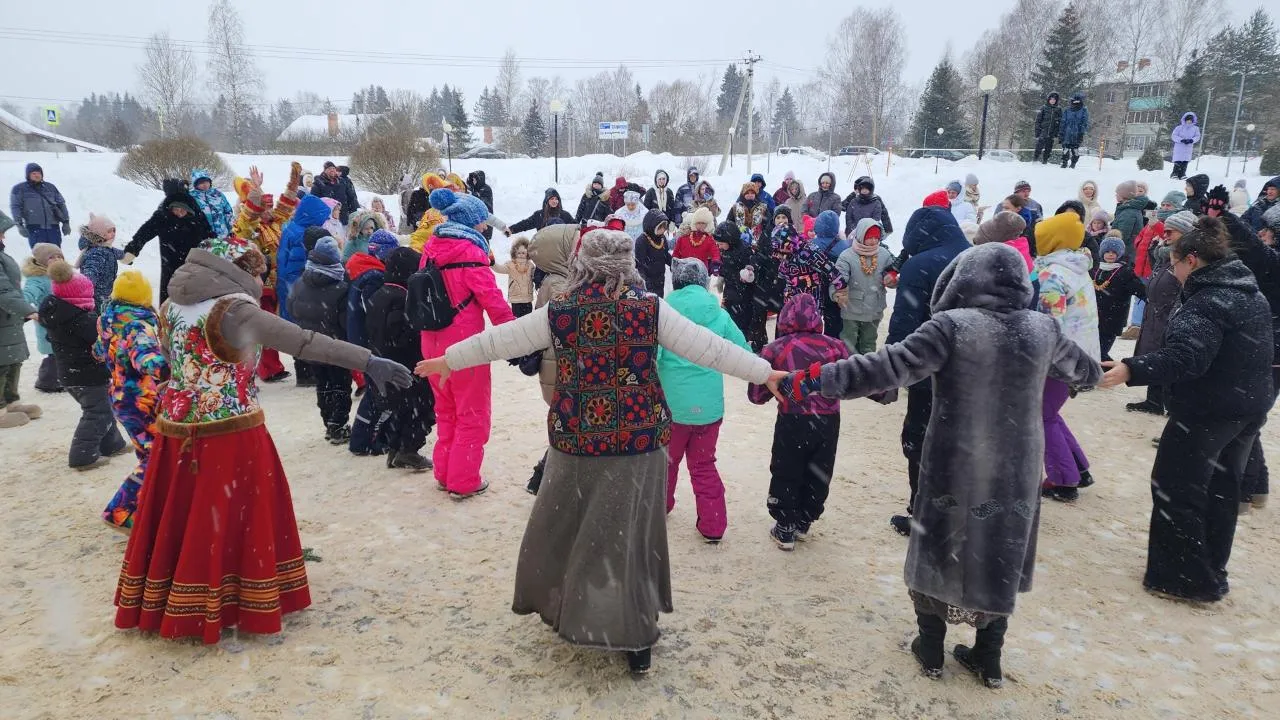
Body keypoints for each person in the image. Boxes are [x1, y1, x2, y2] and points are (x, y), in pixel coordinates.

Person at [413, 228, 782, 675]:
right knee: (631, 540)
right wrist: (762, 371)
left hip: (576, 441)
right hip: (637, 444)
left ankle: (563, 604)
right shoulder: (649, 310)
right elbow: (710, 349)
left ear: (582, 263)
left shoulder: (560, 311)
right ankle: (634, 632)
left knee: (566, 529)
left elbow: (501, 340)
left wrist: (449, 359)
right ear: (627, 265)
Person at [784, 242, 1101, 688]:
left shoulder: (952, 326)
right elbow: (1087, 372)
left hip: (957, 460)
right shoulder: (1042, 329)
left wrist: (813, 379)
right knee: (999, 550)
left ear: (962, 280)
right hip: (1016, 467)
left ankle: (930, 646)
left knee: (940, 544)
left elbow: (886, 366)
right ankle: (989, 657)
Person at [114, 236, 412, 644]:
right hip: (230, 431)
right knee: (232, 513)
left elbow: (171, 361)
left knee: (184, 514)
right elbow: (303, 341)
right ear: (237, 270)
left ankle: (175, 595)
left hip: (176, 430)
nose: (260, 277)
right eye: (256, 270)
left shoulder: (171, 306)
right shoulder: (233, 310)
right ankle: (229, 599)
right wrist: (367, 360)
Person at [1098, 216, 1273, 602]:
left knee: (1178, 487)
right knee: (1221, 490)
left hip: (1209, 408)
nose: (1173, 272)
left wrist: (1132, 368)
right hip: (1245, 404)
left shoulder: (1209, 300)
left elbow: (1187, 357)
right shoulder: (1245, 289)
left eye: (1174, 263)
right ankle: (1211, 568)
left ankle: (1182, 577)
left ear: (1191, 260)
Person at [418, 188, 516, 498]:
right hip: (464, 345)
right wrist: (514, 337)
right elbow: (494, 301)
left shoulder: (431, 248)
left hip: (431, 342)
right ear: (472, 222)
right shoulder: (470, 253)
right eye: (483, 222)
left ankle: (445, 473)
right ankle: (463, 481)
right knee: (472, 415)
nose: (486, 227)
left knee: (446, 412)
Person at [885, 202, 971, 535]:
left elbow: (905, 324)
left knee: (920, 439)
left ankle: (925, 513)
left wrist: (892, 373)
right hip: (974, 371)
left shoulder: (920, 265)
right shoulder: (976, 257)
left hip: (930, 370)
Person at [748, 293, 849, 550]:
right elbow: (849, 380)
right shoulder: (836, 347)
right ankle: (805, 518)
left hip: (792, 420)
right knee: (820, 469)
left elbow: (757, 394)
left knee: (786, 467)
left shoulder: (776, 349)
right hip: (827, 420)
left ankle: (785, 525)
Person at [659, 257, 750, 543]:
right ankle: (713, 525)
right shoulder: (718, 313)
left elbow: (653, 356)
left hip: (672, 407)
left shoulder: (664, 312)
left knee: (666, 462)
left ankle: (660, 506)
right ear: (703, 282)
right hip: (708, 410)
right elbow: (742, 350)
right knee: (703, 465)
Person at [1032, 211, 1100, 502]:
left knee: (1041, 415)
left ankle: (1063, 479)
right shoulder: (1076, 267)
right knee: (1050, 411)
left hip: (1058, 356)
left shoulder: (1052, 274)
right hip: (1080, 353)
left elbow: (1049, 322)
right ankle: (1078, 468)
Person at [92, 270, 167, 531]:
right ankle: (118, 512)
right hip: (142, 400)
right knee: (158, 456)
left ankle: (146, 508)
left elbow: (99, 351)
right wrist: (171, 368)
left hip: (121, 396)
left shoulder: (109, 319)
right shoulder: (138, 325)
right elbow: (147, 359)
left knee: (148, 453)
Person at [40, 259, 128, 468]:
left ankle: (112, 444)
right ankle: (82, 456)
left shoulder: (58, 314)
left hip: (72, 374)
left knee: (102, 409)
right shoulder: (81, 320)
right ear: (79, 296)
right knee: (98, 413)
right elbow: (102, 341)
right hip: (88, 376)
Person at [366, 246, 435, 472]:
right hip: (407, 364)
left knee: (401, 409)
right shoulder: (401, 298)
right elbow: (403, 334)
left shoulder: (380, 294)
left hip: (386, 364)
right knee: (421, 407)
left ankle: (396, 449)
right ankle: (409, 449)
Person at [232, 163, 302, 383]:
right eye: (264, 208)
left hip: (276, 282)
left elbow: (287, 204)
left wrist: (294, 180)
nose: (269, 211)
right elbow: (249, 215)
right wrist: (255, 188)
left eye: (269, 208)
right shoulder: (246, 225)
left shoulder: (275, 222)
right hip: (257, 283)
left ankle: (273, 366)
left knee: (274, 325)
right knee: (260, 327)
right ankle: (262, 369)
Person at [288, 237, 356, 444]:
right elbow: (346, 321)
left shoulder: (301, 282)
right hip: (335, 346)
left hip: (311, 345)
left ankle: (328, 422)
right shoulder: (341, 288)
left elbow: (291, 309)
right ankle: (338, 424)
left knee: (323, 384)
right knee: (341, 385)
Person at [1126, 210, 1193, 415]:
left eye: (1170, 231)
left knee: (1166, 356)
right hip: (1155, 312)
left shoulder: (1187, 259)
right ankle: (1153, 400)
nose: (1166, 235)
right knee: (1153, 353)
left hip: (1169, 313)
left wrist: (1175, 311)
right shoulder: (1165, 254)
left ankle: (1170, 406)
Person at [344, 229, 398, 457]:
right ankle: (364, 440)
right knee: (378, 393)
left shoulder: (361, 269)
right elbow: (374, 312)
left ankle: (364, 437)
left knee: (376, 391)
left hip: (360, 338)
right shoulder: (374, 276)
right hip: (369, 342)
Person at [274, 192, 332, 390]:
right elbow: (295, 266)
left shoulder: (292, 228)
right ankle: (306, 373)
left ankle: (305, 371)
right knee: (304, 329)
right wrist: (304, 283)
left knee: (300, 328)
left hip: (288, 286)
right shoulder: (301, 234)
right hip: (296, 286)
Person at [123, 182, 215, 304]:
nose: (179, 213)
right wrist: (132, 249)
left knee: (193, 293)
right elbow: (146, 231)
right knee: (169, 293)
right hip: (170, 261)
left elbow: (209, 237)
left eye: (183, 210)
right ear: (170, 208)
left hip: (193, 261)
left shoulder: (196, 217)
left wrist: (215, 252)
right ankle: (166, 317)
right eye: (176, 210)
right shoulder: (163, 217)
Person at [0, 212, 43, 428]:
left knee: (12, 359)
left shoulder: (2, 255)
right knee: (2, 362)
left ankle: (11, 401)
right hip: (5, 317)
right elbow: (3, 291)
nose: (4, 238)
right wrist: (29, 310)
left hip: (8, 318)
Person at [833, 219, 895, 354]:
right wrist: (838, 293)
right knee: (848, 342)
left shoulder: (884, 254)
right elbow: (837, 278)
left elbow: (891, 272)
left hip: (874, 308)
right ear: (861, 236)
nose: (873, 241)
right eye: (869, 237)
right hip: (851, 309)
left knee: (869, 341)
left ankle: (867, 369)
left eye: (876, 237)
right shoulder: (847, 256)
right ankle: (847, 368)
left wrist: (892, 280)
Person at [1092, 236, 1146, 361]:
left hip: (1113, 320)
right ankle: (1103, 375)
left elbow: (1141, 291)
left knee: (1100, 353)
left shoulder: (1125, 272)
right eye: (1107, 252)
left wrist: (1150, 300)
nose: (1110, 255)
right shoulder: (1097, 270)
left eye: (1114, 252)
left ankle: (1116, 373)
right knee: (1094, 351)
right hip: (1095, 319)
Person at [21, 241, 64, 392]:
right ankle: (47, 381)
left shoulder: (59, 276)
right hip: (48, 324)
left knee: (61, 351)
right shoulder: (37, 279)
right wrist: (31, 312)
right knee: (54, 353)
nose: (57, 259)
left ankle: (59, 378)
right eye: (52, 257)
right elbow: (26, 296)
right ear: (42, 261)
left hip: (62, 322)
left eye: (60, 256)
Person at [714, 221, 757, 348]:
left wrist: (748, 273)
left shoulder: (744, 250)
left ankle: (741, 345)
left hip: (743, 294)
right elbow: (724, 265)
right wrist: (721, 276)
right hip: (730, 291)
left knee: (741, 321)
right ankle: (729, 344)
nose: (719, 247)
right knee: (727, 317)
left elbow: (752, 269)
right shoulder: (725, 251)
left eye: (721, 244)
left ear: (730, 240)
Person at [9, 162, 70, 248]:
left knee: (56, 255)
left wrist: (66, 222)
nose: (37, 175)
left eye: (39, 173)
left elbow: (61, 204)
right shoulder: (19, 189)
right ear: (28, 175)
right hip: (35, 228)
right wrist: (19, 224)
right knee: (40, 256)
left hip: (53, 228)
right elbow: (15, 207)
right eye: (34, 173)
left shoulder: (51, 187)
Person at [76, 213, 125, 312]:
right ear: (99, 234)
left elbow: (115, 252)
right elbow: (90, 271)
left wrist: (127, 256)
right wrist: (89, 283)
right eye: (109, 231)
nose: (113, 233)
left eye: (114, 230)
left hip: (106, 292)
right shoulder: (95, 253)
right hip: (98, 296)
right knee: (101, 318)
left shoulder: (105, 247)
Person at [493, 235, 535, 317]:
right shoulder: (510, 264)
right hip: (515, 299)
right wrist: (493, 264)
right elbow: (500, 269)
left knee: (527, 319)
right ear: (514, 253)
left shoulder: (530, 265)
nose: (521, 255)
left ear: (528, 253)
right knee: (517, 320)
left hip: (527, 298)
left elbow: (534, 276)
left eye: (523, 253)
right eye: (519, 253)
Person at [189, 169, 234, 239]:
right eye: (201, 182)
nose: (204, 184)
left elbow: (228, 212)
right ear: (195, 184)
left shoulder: (218, 195)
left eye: (206, 181)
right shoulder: (191, 197)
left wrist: (232, 229)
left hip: (223, 235)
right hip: (204, 237)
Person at [635, 210, 672, 297]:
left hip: (660, 277)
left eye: (664, 227)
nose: (663, 230)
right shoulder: (642, 240)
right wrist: (644, 278)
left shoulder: (662, 238)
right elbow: (640, 262)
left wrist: (673, 263)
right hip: (648, 278)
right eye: (660, 227)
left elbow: (666, 255)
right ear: (652, 226)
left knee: (659, 299)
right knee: (649, 300)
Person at [673, 207, 720, 272]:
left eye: (703, 223)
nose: (700, 225)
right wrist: (674, 263)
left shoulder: (709, 239)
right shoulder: (684, 238)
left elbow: (715, 252)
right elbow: (676, 252)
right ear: (694, 223)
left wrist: (715, 263)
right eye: (698, 223)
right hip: (684, 271)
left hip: (701, 273)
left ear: (707, 224)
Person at [510, 188, 575, 234]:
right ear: (547, 200)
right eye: (552, 199)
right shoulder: (539, 215)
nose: (554, 201)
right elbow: (525, 224)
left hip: (560, 248)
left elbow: (576, 227)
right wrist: (511, 229)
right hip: (543, 247)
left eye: (556, 199)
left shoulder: (565, 215)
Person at [1112, 180, 1147, 259]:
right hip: (1127, 251)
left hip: (1126, 253)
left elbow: (1122, 236)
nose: (1115, 195)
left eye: (1117, 193)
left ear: (1124, 195)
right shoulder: (1128, 209)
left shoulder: (1129, 212)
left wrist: (1113, 247)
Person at [1059, 94, 1090, 169]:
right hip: (1067, 133)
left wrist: (1081, 133)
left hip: (1077, 133)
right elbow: (1063, 122)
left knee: (1075, 150)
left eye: (1077, 101)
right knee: (1065, 149)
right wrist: (1061, 133)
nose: (1075, 103)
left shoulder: (1084, 110)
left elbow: (1084, 122)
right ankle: (1064, 163)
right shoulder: (1067, 110)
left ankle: (1073, 164)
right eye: (1074, 101)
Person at [1033, 93, 1063, 164]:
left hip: (1052, 133)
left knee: (1048, 148)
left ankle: (1045, 161)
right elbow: (1038, 120)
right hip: (1043, 131)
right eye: (1051, 99)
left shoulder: (1058, 109)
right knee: (1039, 147)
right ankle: (1035, 160)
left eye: (1054, 99)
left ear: (1056, 100)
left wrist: (1057, 132)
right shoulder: (1044, 108)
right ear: (1048, 99)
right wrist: (1037, 132)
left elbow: (1060, 122)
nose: (1052, 101)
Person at [1170, 112, 1201, 180]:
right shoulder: (1179, 128)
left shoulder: (1195, 128)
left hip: (1188, 148)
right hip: (1179, 147)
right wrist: (1181, 140)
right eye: (1188, 120)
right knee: (1178, 161)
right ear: (1185, 119)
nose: (1189, 121)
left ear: (1193, 120)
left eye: (1190, 120)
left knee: (1185, 161)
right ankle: (1174, 173)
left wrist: (1191, 140)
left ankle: (1182, 174)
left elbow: (1197, 136)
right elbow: (1174, 136)